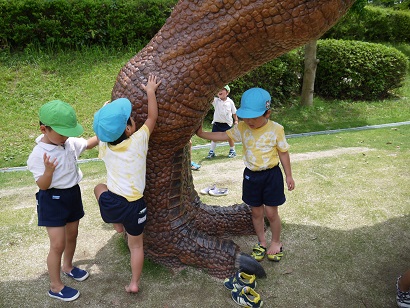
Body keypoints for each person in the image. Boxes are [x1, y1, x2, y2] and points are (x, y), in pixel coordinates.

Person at [196, 87, 295, 262]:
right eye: (246, 116)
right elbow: (223, 135)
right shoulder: (242, 127)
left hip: (272, 175)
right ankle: (262, 242)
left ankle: (276, 242)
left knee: (271, 213)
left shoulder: (276, 129)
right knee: (256, 213)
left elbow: (283, 153)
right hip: (251, 176)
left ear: (267, 113)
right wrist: (202, 133)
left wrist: (288, 175)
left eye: (254, 117)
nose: (249, 121)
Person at [92, 75, 161, 294]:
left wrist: (105, 114)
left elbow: (102, 134)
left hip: (113, 202)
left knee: (98, 188)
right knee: (136, 246)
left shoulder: (105, 147)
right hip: (134, 205)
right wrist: (150, 91)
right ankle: (134, 283)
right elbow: (152, 117)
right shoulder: (138, 141)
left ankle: (116, 225)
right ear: (129, 129)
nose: (133, 120)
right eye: (130, 119)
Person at [27, 100, 99, 302]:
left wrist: (105, 128)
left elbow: (88, 144)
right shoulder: (38, 154)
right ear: (44, 129)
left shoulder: (67, 142)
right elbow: (42, 185)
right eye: (61, 132)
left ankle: (68, 266)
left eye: (69, 132)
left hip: (72, 194)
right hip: (52, 199)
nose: (66, 136)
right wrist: (48, 171)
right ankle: (55, 286)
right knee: (57, 244)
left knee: (72, 234)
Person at [207, 85, 239, 159]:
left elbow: (234, 112)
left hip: (227, 123)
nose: (220, 91)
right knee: (214, 137)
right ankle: (211, 151)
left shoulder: (230, 102)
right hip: (217, 123)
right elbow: (209, 97)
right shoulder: (215, 100)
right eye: (218, 90)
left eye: (222, 89)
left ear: (227, 93)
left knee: (229, 137)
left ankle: (232, 150)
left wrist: (236, 120)